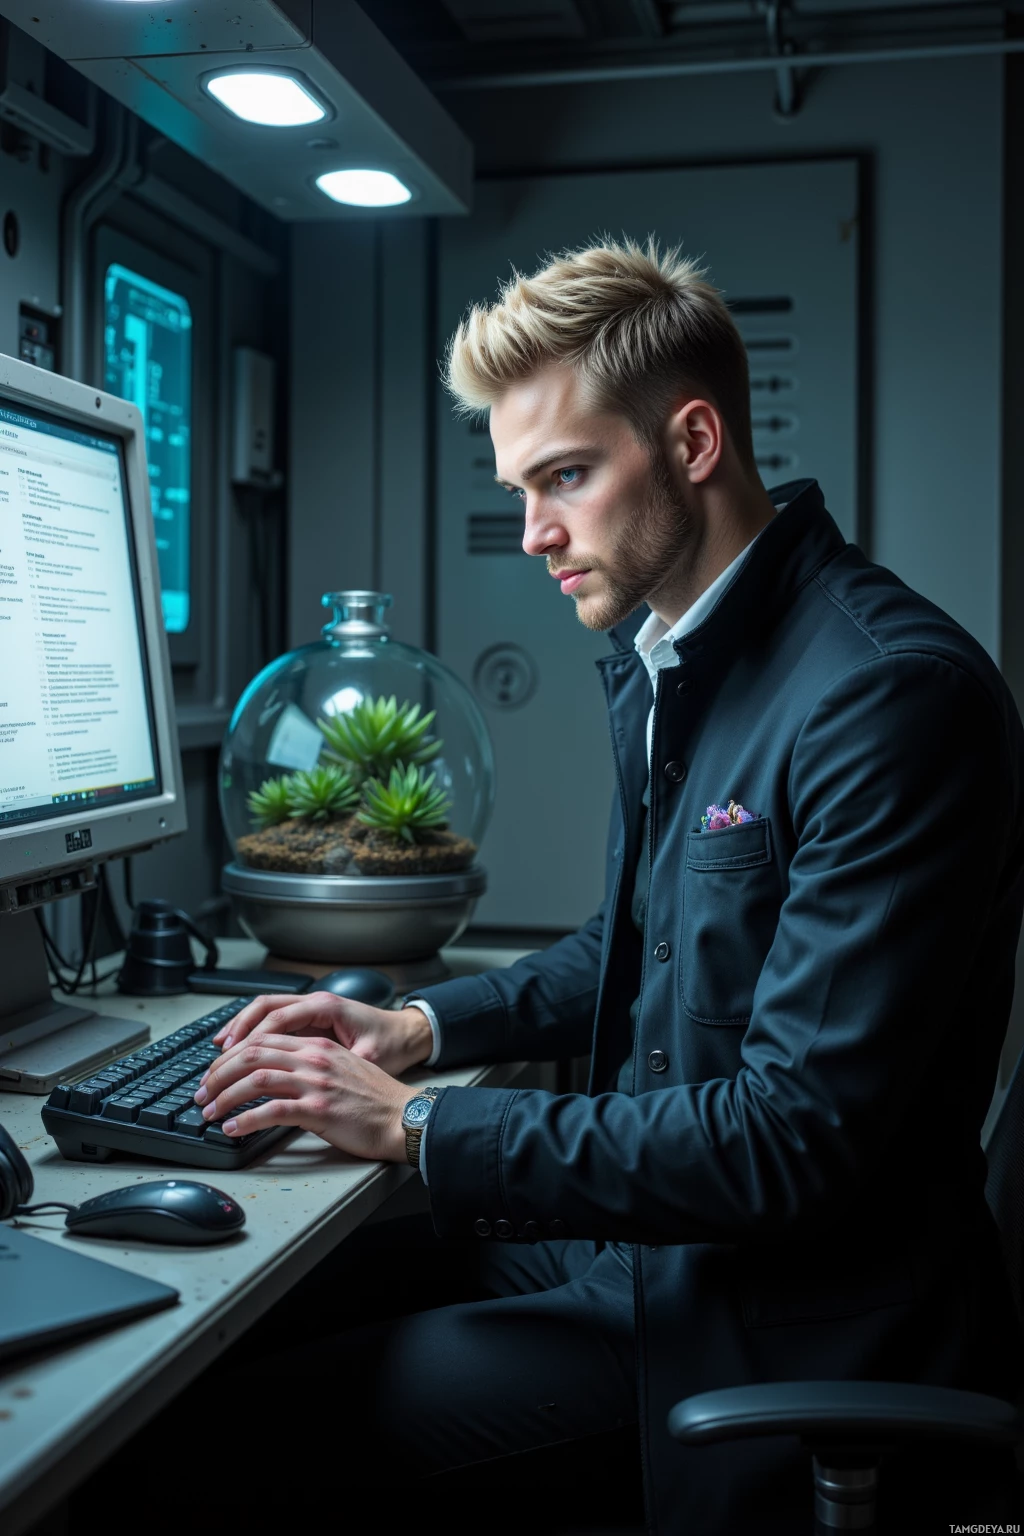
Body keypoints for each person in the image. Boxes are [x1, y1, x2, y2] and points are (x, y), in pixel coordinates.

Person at [193, 240, 1024, 1531]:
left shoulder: (884, 696)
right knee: (255, 1316)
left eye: (565, 479)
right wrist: (414, 1031)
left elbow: (787, 1138)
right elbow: (635, 949)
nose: (534, 535)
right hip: (649, 1257)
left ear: (692, 443)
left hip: (768, 1328)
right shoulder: (679, 657)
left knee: (229, 1441)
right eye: (523, 488)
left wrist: (414, 1128)